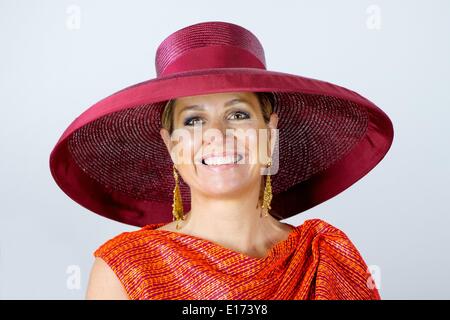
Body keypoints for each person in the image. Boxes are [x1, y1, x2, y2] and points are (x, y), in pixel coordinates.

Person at [49, 21, 393, 300]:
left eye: (239, 114)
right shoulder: (125, 268)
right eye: (193, 120)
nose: (216, 134)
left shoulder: (324, 257)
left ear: (270, 131)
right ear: (171, 145)